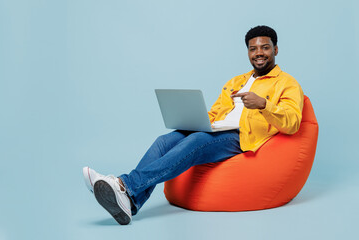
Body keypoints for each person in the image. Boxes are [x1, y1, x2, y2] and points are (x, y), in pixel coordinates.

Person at [83, 25, 304, 225]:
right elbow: (217, 110)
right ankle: (130, 204)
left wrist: (263, 104)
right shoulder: (237, 81)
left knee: (197, 140)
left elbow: (293, 121)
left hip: (241, 137)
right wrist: (197, 118)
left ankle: (124, 186)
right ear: (247, 52)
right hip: (217, 128)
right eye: (253, 49)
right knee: (164, 141)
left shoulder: (287, 83)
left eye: (265, 48)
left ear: (275, 50)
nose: (259, 54)